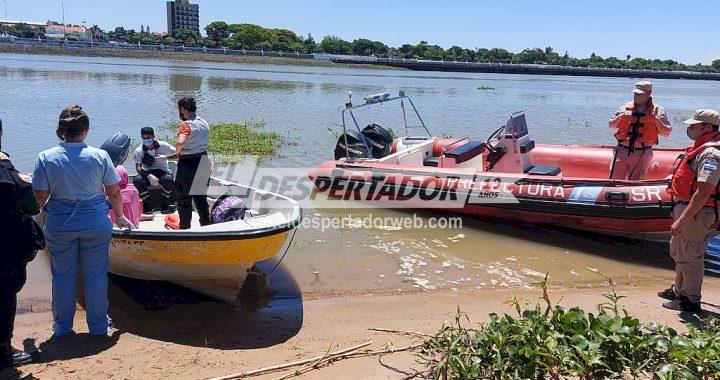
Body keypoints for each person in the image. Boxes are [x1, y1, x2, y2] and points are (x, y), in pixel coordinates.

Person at [32, 105, 134, 337]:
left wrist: (48, 211)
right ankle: (98, 327)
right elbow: (114, 191)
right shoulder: (100, 155)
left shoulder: (45, 157)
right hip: (96, 222)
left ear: (60, 131)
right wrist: (119, 216)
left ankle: (62, 327)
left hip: (60, 224)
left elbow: (40, 196)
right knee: (96, 275)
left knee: (62, 276)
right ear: (86, 130)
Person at [659, 109, 720, 312]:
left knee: (691, 256)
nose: (690, 128)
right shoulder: (700, 148)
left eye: (694, 125)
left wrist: (682, 219)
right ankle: (679, 291)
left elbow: (703, 192)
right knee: (679, 252)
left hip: (696, 213)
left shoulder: (711, 154)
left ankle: (690, 300)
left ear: (708, 127)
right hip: (686, 208)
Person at [0, 135, 42, 368]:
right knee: (5, 296)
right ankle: (4, 351)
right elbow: (32, 207)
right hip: (6, 248)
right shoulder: (7, 173)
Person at [608, 81, 672, 180]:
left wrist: (656, 120)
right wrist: (621, 117)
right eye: (635, 93)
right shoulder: (625, 107)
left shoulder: (658, 110)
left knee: (635, 184)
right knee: (614, 181)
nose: (636, 96)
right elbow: (611, 125)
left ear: (648, 94)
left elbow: (666, 133)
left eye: (639, 94)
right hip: (622, 150)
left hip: (642, 153)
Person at [174, 97, 211, 230]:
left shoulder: (186, 124)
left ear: (183, 109)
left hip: (188, 164)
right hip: (203, 161)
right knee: (201, 198)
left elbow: (180, 142)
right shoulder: (204, 122)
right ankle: (207, 227)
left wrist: (178, 151)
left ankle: (184, 229)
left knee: (184, 199)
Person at [132, 127, 176, 213]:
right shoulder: (139, 150)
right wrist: (148, 175)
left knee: (169, 179)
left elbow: (178, 154)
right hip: (148, 173)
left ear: (153, 137)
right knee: (137, 180)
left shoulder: (164, 146)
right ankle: (148, 205)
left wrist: (167, 158)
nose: (146, 140)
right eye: (143, 138)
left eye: (148, 138)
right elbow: (138, 168)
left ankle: (165, 204)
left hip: (163, 171)